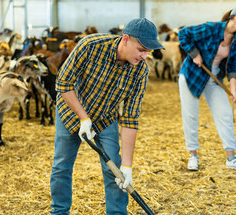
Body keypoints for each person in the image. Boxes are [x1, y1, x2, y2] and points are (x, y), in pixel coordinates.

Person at [49, 18, 164, 215]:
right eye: (141, 49)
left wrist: (127, 167)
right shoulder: (91, 46)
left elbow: (130, 118)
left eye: (149, 51)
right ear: (126, 39)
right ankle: (59, 212)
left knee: (115, 172)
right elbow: (63, 83)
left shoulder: (140, 72)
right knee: (62, 165)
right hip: (71, 111)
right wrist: (83, 117)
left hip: (104, 118)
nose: (145, 56)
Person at [178, 4, 236, 171]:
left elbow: (233, 65)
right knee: (191, 116)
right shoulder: (211, 28)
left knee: (225, 113)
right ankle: (193, 155)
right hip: (193, 75)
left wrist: (234, 91)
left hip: (214, 78)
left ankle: (231, 158)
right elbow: (183, 34)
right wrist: (195, 55)